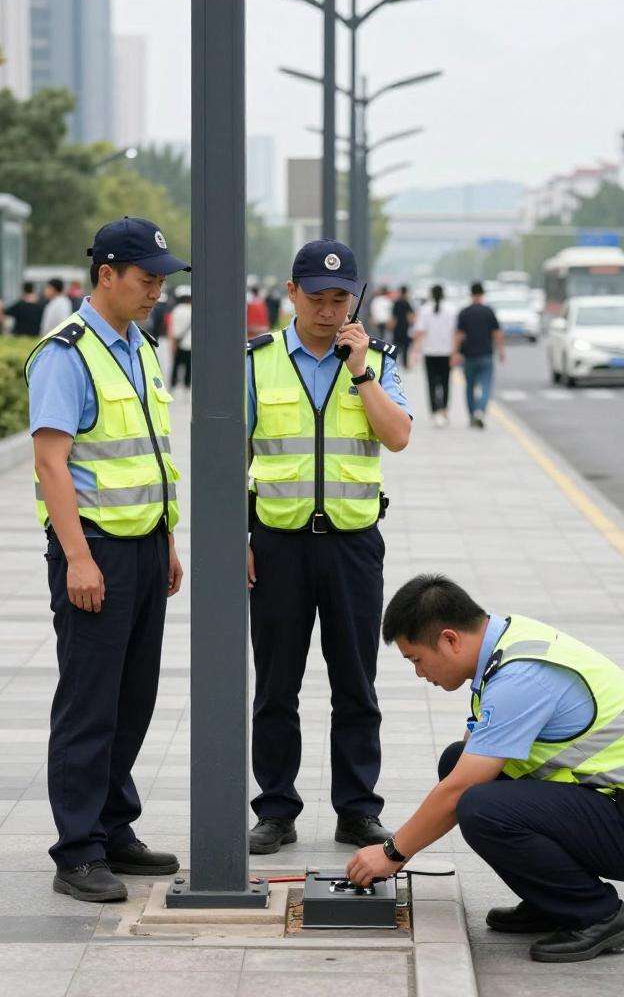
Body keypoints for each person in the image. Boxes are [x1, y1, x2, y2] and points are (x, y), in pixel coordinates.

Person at [348, 575, 624, 963]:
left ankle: (597, 915)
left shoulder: (520, 676)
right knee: (457, 762)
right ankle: (553, 901)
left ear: (449, 639)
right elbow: (467, 763)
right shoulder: (503, 643)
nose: (419, 674)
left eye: (417, 660)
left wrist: (393, 853)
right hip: (617, 804)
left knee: (479, 806)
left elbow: (459, 791)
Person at [24, 215, 190, 903]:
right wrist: (77, 559)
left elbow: (148, 451)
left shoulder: (141, 346)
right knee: (89, 704)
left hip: (146, 548)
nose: (157, 292)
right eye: (148, 280)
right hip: (95, 554)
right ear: (107, 276)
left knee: (133, 698)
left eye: (161, 281)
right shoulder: (67, 353)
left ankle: (114, 828)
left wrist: (168, 541)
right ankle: (78, 849)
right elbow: (50, 461)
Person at [245, 238, 412, 856]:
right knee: (275, 684)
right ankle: (276, 808)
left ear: (356, 299)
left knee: (356, 683)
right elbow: (231, 453)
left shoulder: (379, 361)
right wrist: (240, 538)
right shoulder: (256, 362)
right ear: (291, 294)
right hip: (277, 545)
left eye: (340, 298)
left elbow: (397, 437)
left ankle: (358, 810)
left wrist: (361, 371)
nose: (327, 309)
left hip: (352, 544)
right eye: (316, 296)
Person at [453, 282, 504, 428]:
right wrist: (501, 351)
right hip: (486, 354)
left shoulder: (465, 312)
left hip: (469, 356)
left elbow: (459, 335)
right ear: (482, 294)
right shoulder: (489, 311)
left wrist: (455, 353)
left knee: (469, 386)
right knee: (486, 385)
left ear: (471, 294)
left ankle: (471, 415)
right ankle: (480, 410)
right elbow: (497, 333)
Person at [412, 284, 458, 426]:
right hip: (446, 352)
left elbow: (419, 332)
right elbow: (455, 333)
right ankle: (444, 410)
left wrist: (415, 351)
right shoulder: (452, 310)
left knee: (431, 383)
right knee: (445, 382)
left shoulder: (425, 310)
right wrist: (455, 352)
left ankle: (434, 411)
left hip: (429, 352)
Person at [168, 285, 192, 391]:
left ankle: (173, 384)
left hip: (179, 342)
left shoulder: (176, 310)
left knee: (176, 365)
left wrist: (172, 343)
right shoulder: (193, 310)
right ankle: (187, 386)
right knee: (188, 366)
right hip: (190, 344)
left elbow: (172, 329)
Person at [389, 285, 415, 369]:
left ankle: (392, 363)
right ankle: (405, 364)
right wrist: (411, 325)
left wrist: (392, 326)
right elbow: (410, 316)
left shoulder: (396, 302)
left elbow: (394, 317)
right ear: (406, 292)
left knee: (395, 346)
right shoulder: (407, 303)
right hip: (405, 328)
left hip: (397, 328)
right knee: (405, 348)